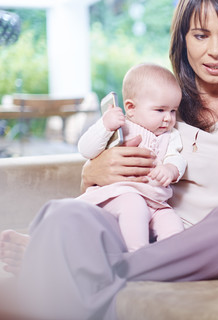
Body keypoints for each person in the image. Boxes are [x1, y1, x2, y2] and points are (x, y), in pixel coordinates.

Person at [0, 0, 218, 319]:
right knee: (64, 215)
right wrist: (91, 172)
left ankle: (83, 264)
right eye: (201, 35)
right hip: (135, 228)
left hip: (211, 245)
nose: (215, 51)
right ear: (183, 40)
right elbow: (106, 181)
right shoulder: (160, 97)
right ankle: (89, 259)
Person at [77, 63, 186, 252]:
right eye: (160, 110)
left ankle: (171, 258)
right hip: (118, 195)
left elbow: (177, 158)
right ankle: (138, 254)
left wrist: (171, 169)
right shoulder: (120, 126)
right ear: (131, 107)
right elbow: (86, 150)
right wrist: (105, 126)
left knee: (172, 221)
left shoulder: (171, 135)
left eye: (173, 111)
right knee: (133, 204)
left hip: (156, 203)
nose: (168, 118)